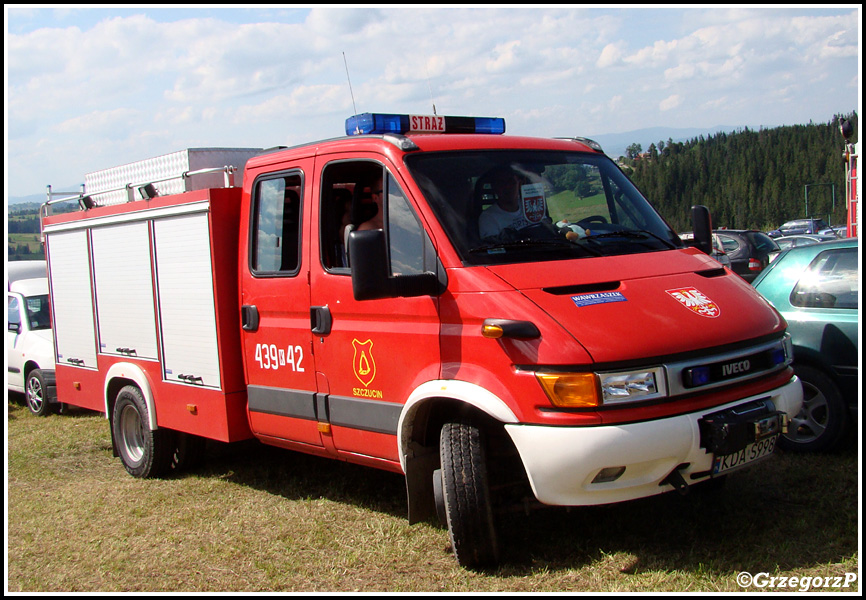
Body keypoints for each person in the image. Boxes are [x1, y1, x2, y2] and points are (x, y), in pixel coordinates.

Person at [477, 166, 533, 239]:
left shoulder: (530, 205)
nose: (507, 187)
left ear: (519, 184)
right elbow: (493, 247)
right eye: (501, 183)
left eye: (511, 181)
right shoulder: (488, 218)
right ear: (495, 187)